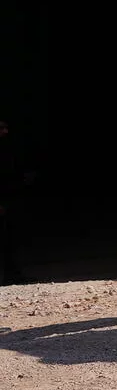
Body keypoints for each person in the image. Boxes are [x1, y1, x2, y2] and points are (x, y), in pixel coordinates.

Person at [0, 118, 29, 284]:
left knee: (10, 239)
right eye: (1, 128)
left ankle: (12, 275)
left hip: (10, 198)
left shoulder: (6, 149)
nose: (5, 132)